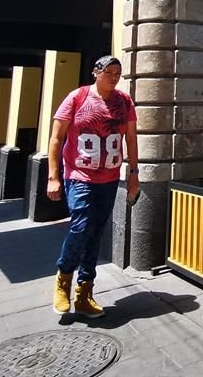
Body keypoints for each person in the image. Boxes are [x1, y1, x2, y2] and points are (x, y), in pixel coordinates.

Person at [47, 55, 139, 318]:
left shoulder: (124, 101)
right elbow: (56, 138)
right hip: (79, 175)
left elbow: (131, 139)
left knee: (96, 231)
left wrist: (133, 173)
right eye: (109, 71)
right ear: (95, 72)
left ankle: (84, 291)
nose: (113, 76)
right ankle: (64, 278)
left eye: (118, 73)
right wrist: (53, 176)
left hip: (109, 177)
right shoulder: (77, 98)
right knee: (81, 224)